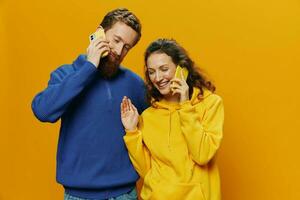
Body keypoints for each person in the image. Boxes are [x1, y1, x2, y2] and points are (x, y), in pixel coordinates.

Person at [31, 8, 148, 200]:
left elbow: (162, 119)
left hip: (124, 194)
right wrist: (89, 67)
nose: (119, 51)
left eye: (127, 47)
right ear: (99, 33)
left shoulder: (134, 83)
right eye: (116, 40)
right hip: (78, 195)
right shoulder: (67, 74)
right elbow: (43, 111)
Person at [121, 39, 224, 200]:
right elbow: (146, 170)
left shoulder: (211, 104)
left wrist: (185, 105)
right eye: (152, 71)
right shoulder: (148, 116)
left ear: (181, 69)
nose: (158, 77)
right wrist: (132, 131)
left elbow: (202, 155)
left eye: (164, 69)